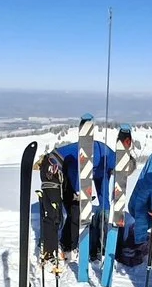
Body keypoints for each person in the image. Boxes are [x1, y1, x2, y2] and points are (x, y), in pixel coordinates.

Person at [38, 113, 134, 263]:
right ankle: (48, 248)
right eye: (123, 172)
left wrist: (105, 212)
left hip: (68, 173)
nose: (119, 175)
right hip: (55, 165)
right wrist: (78, 191)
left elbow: (103, 191)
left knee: (75, 212)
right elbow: (77, 167)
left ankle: (67, 245)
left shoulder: (106, 168)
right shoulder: (101, 153)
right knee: (56, 212)